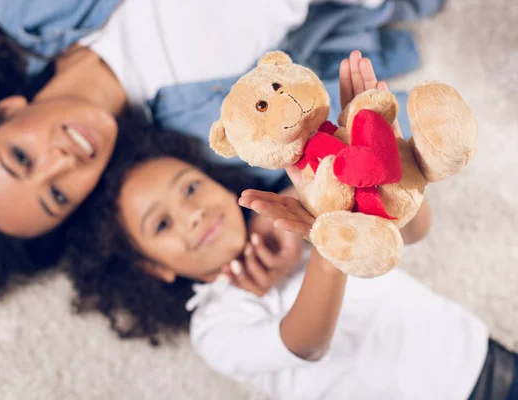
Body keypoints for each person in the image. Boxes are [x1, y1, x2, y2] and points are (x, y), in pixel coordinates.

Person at [64, 57, 518, 399]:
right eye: (162, 224)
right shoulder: (214, 321)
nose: (194, 213)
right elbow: (305, 346)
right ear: (153, 267)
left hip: (470, 351)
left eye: (191, 189)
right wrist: (327, 237)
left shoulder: (303, 196)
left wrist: (384, 159)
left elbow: (413, 233)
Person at [0, 0, 440, 297]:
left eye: (22, 158)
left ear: (8, 110)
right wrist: (286, 228)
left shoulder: (28, 11)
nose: (62, 162)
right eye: (58, 195)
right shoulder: (207, 143)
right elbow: (358, 145)